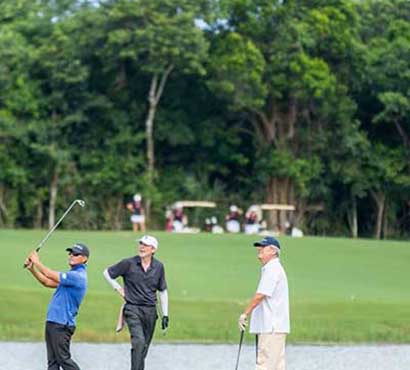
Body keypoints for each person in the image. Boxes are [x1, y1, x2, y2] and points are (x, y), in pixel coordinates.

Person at [103, 235, 169, 370]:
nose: (142, 247)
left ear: (153, 249)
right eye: (141, 244)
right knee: (138, 342)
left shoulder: (159, 267)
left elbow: (162, 291)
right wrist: (118, 288)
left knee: (143, 348)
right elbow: (107, 273)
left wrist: (165, 315)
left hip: (150, 311)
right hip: (132, 309)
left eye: (145, 245)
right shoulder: (128, 263)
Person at [25, 243, 90, 370]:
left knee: (63, 360)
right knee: (52, 362)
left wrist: (37, 261)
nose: (71, 255)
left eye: (76, 254)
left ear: (84, 259)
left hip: (62, 324)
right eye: (70, 253)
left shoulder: (78, 277)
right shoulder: (70, 276)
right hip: (53, 321)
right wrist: (32, 268)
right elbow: (47, 282)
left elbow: (49, 274)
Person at [238, 236, 290, 370]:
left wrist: (245, 314)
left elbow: (260, 295)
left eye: (263, 248)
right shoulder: (272, 268)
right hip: (275, 327)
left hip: (270, 327)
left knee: (265, 366)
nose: (259, 251)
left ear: (273, 251)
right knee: (277, 366)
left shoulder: (272, 268)